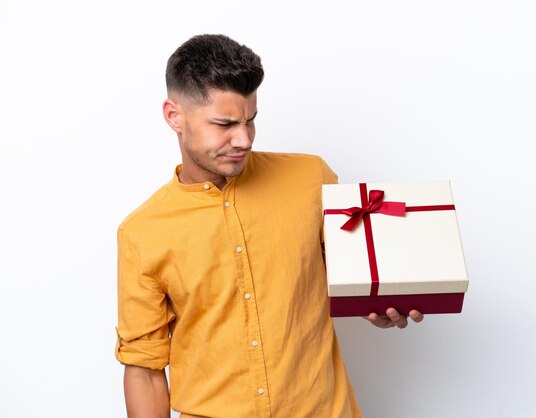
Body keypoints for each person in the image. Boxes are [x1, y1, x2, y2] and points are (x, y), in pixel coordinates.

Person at [115, 34, 423, 418]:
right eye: (224, 124)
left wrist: (376, 303)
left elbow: (353, 275)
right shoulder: (143, 233)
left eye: (250, 120)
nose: (243, 139)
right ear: (174, 116)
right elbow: (144, 368)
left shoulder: (312, 177)